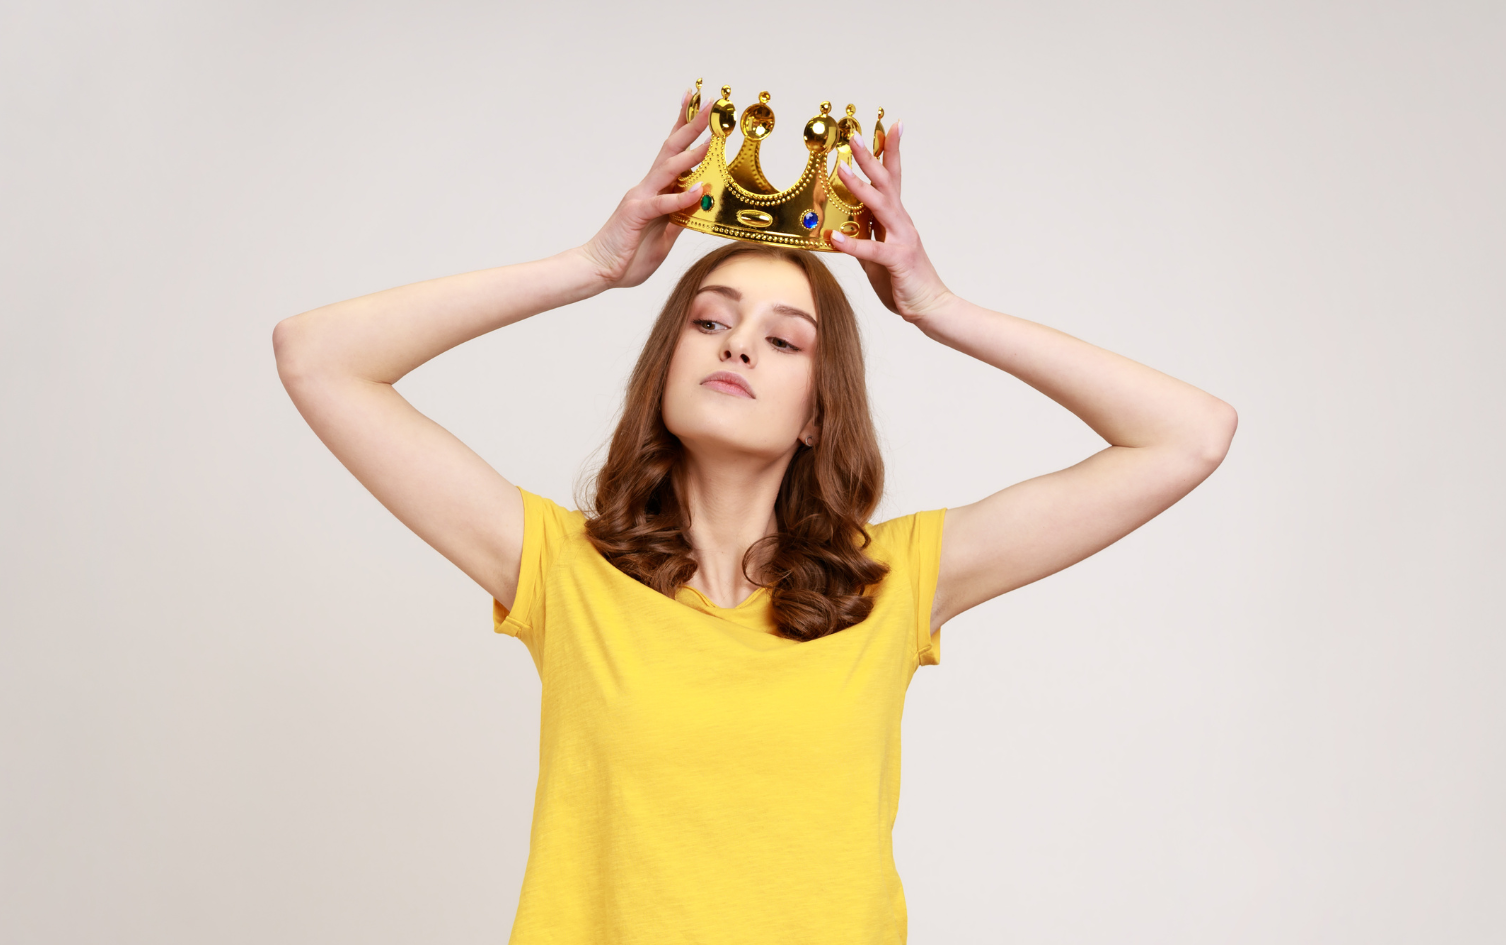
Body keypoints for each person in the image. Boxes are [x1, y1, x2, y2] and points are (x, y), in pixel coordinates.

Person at [272, 85, 1236, 945]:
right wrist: (595, 264)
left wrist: (936, 306)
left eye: (784, 340)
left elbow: (1189, 434)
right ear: (666, 368)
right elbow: (318, 356)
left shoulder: (895, 584)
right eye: (709, 319)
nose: (737, 345)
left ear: (820, 412)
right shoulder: (562, 572)